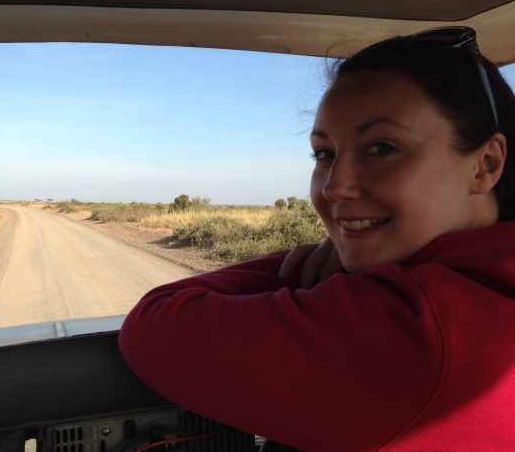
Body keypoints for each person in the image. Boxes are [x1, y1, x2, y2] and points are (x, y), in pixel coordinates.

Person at [118, 27, 515, 451]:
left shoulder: (416, 325)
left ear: (485, 165)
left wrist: (304, 266)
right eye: (324, 154)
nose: (334, 187)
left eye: (381, 147)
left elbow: (155, 326)